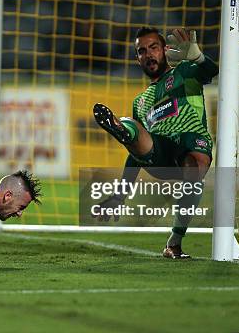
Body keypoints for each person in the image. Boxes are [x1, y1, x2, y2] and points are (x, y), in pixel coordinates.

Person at [93, 27, 218, 259]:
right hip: (159, 153)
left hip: (191, 142)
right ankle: (121, 127)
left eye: (153, 48)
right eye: (142, 51)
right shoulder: (140, 101)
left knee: (195, 164)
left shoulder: (186, 71)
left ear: (165, 50)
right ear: (137, 58)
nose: (148, 54)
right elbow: (135, 155)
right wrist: (119, 196)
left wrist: (198, 57)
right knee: (133, 129)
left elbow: (212, 71)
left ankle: (174, 242)